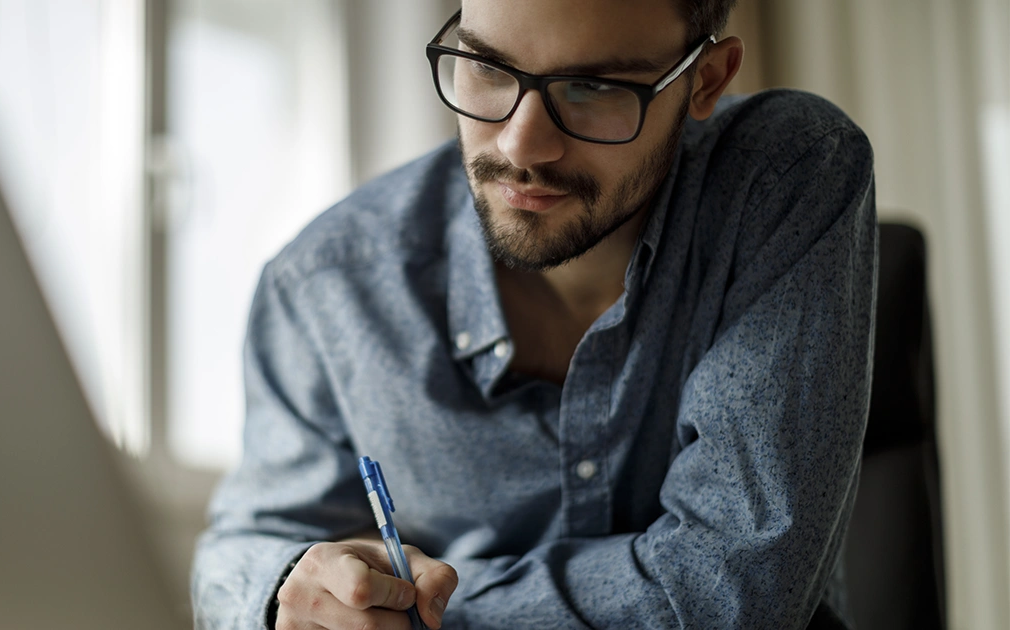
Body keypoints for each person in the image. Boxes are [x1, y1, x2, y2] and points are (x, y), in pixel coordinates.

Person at [192, 0, 877, 627]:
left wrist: (434, 613)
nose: (520, 147)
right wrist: (290, 586)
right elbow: (241, 554)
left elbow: (737, 590)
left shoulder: (786, 176)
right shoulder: (325, 283)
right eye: (486, 68)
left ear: (705, 80)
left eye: (594, 88)